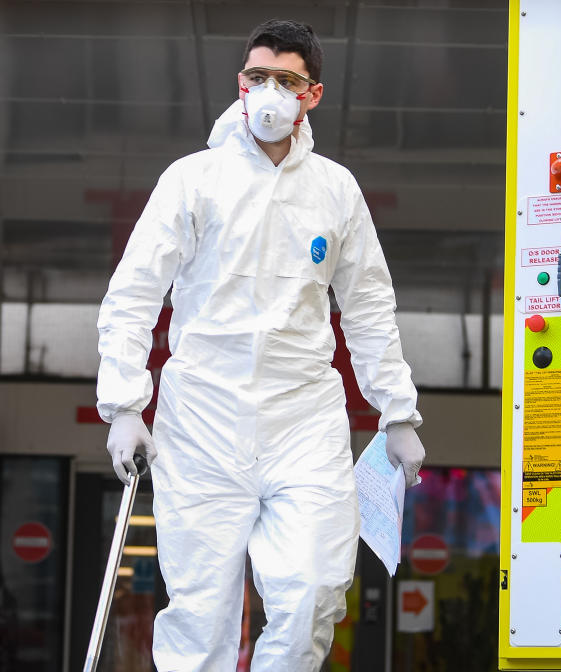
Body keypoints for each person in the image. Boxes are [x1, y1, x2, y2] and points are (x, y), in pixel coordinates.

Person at [96, 19, 425, 671]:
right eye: (257, 77)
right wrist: (125, 405)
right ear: (240, 85)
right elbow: (134, 293)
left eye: (286, 79)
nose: (268, 91)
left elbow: (368, 308)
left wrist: (398, 412)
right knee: (199, 614)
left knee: (311, 597)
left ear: (313, 95)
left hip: (302, 421)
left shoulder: (336, 191)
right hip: (202, 421)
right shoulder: (193, 181)